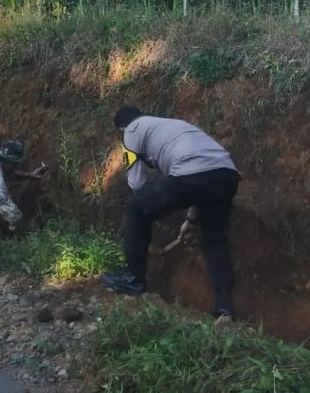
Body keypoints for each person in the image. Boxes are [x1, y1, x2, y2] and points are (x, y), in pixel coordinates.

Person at [102, 106, 241, 322]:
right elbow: (202, 181)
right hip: (226, 174)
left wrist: (145, 216)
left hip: (193, 173)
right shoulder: (169, 125)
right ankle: (225, 308)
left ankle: (134, 279)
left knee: (136, 209)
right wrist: (191, 220)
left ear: (121, 127)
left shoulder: (130, 131)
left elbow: (138, 182)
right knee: (214, 240)